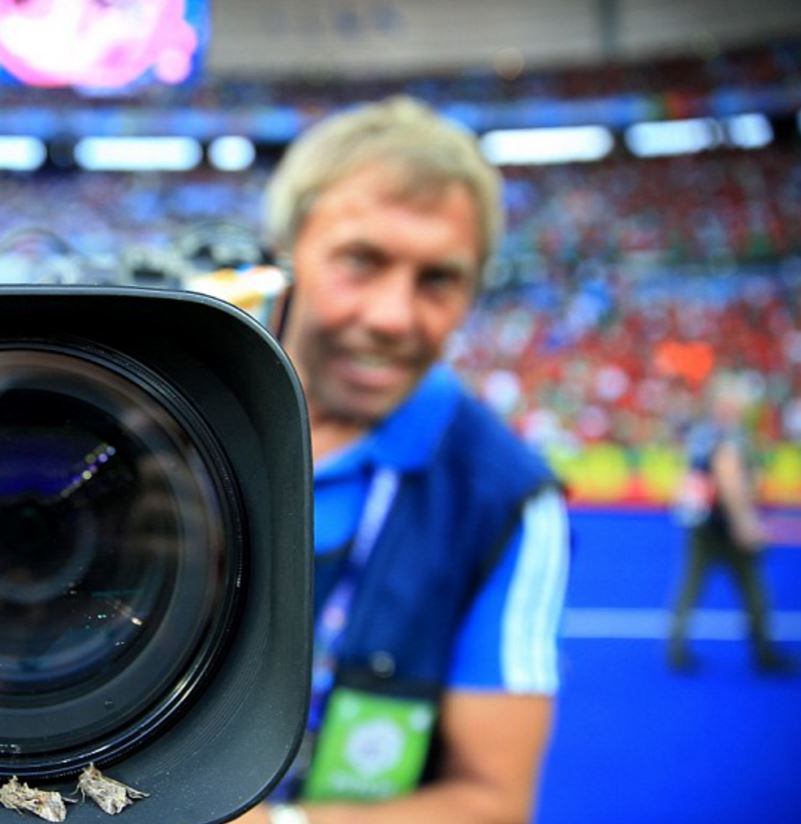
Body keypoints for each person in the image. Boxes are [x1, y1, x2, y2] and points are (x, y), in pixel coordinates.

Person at [239, 98, 570, 824]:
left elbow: (494, 801)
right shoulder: (155, 417)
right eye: (361, 261)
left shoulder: (504, 498)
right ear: (282, 256)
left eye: (438, 279)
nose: (393, 316)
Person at [668, 374, 793, 674]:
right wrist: (744, 522)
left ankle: (677, 647)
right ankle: (763, 651)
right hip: (726, 523)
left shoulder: (702, 435)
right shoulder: (731, 437)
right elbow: (730, 481)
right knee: (752, 588)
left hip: (702, 522)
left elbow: (689, 478)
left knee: (691, 586)